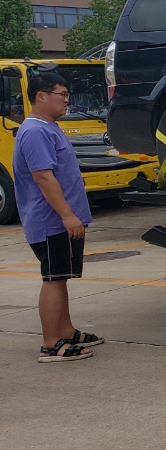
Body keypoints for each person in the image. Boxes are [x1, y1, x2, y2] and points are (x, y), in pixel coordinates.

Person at [14, 72, 100, 362]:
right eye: (62, 94)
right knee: (53, 278)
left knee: (61, 277)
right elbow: (43, 177)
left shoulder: (48, 128)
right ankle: (51, 344)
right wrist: (67, 215)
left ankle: (66, 332)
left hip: (61, 220)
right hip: (51, 221)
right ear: (41, 96)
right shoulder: (35, 131)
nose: (66, 100)